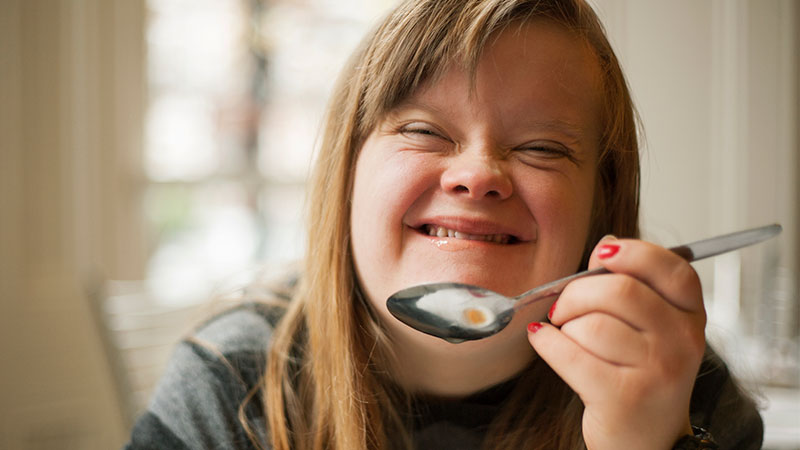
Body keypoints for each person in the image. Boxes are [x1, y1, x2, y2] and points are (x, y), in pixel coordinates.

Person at [126, 0, 764, 449]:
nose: (479, 174)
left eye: (543, 148)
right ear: (346, 176)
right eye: (423, 130)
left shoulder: (678, 391)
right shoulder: (234, 381)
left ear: (602, 209)